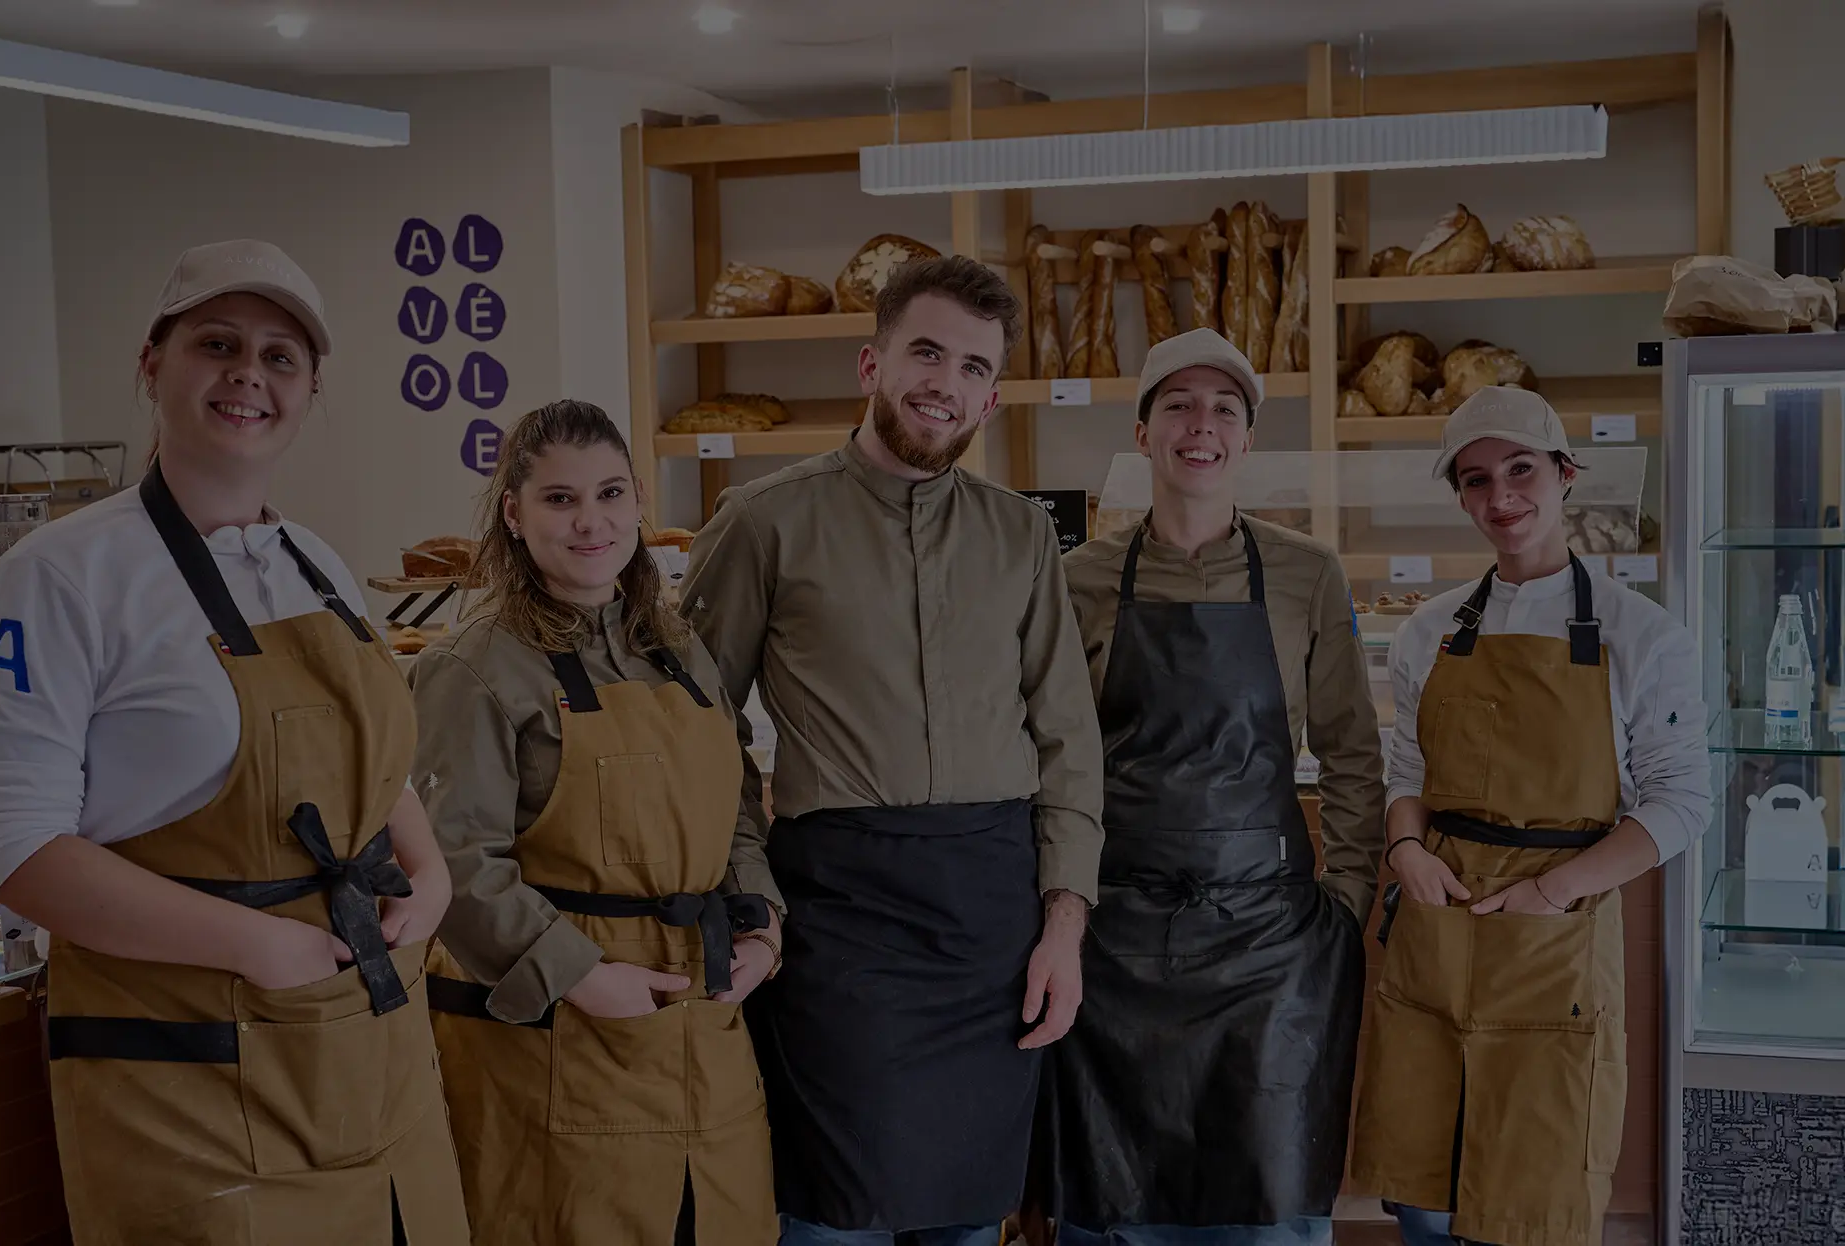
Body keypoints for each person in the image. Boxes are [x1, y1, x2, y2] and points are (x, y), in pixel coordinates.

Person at [0, 240, 469, 1244]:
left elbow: (371, 763)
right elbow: (8, 845)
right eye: (216, 343)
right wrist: (253, 943)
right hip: (187, 1072)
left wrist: (429, 865)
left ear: (312, 388)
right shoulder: (59, 576)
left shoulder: (312, 560)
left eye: (280, 356)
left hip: (370, 1052)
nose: (248, 374)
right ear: (153, 364)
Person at [681, 255, 1106, 1246]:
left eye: (969, 367)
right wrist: (755, 889)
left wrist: (1064, 925)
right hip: (840, 919)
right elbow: (695, 730)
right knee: (834, 1215)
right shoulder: (763, 522)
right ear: (872, 362)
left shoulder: (1021, 537)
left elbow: (1068, 740)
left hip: (994, 923)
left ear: (990, 397)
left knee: (966, 1218)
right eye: (925, 351)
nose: (942, 383)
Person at [1037, 328, 1381, 1246]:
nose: (1202, 426)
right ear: (1143, 432)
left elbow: (1352, 749)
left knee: (1265, 1199)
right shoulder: (1076, 579)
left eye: (1224, 409)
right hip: (1114, 939)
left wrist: (1343, 901)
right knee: (1116, 1201)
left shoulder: (1307, 572)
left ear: (1249, 438)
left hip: (1269, 945)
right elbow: (1049, 758)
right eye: (1179, 406)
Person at [410, 399, 782, 1244]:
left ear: (639, 501)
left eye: (611, 494)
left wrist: (763, 924)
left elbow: (734, 812)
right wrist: (579, 974)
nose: (592, 522)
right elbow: (454, 861)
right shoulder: (469, 667)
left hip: (705, 1027)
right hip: (558, 1039)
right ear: (513, 512)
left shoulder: (679, 651)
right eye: (560, 499)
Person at [1349, 387, 1711, 1246]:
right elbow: (1408, 772)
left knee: (1530, 1201)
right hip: (1439, 921)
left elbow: (1681, 802)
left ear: (1565, 474)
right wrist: (1405, 846)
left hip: (1559, 935)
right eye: (1476, 481)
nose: (1501, 497)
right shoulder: (1429, 630)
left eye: (1521, 470)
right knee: (1422, 1201)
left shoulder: (1643, 635)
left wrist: (1553, 892)